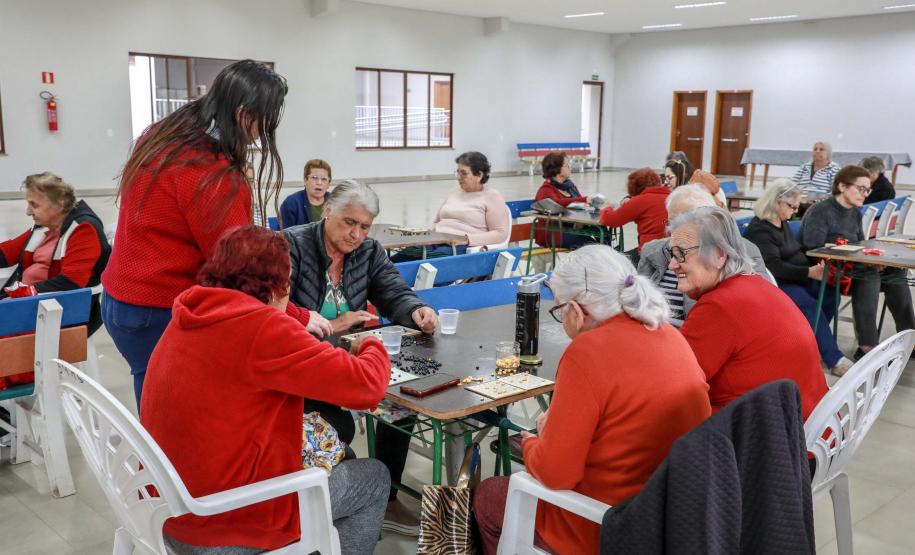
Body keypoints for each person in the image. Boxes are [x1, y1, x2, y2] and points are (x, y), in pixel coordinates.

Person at [141, 226, 391, 555]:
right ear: (276, 284)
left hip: (171, 505)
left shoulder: (192, 310)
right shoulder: (262, 329)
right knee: (373, 477)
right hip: (222, 522)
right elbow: (366, 386)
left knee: (340, 451)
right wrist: (370, 343)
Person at [102, 60, 327, 408]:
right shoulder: (211, 174)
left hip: (120, 299)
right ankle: (166, 462)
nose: (262, 133)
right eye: (264, 121)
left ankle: (158, 456)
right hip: (156, 308)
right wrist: (298, 315)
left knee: (153, 396)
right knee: (172, 412)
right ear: (241, 113)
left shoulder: (164, 134)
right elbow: (240, 271)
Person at [473, 245, 712, 555]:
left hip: (603, 525)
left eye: (559, 311)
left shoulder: (587, 353)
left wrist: (532, 441)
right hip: (670, 521)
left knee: (490, 494)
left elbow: (556, 473)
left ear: (575, 310)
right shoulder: (670, 335)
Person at [283, 179, 438, 535]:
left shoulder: (369, 251)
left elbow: (392, 289)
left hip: (350, 357)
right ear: (328, 211)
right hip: (305, 360)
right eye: (348, 223)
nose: (356, 234)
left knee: (400, 405)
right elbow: (276, 310)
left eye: (364, 226)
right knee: (340, 425)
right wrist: (333, 324)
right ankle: (332, 499)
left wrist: (416, 310)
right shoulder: (293, 244)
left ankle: (387, 500)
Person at [670, 207, 828, 419]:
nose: (672, 265)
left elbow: (672, 383)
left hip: (771, 441)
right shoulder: (756, 285)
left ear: (718, 255)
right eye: (671, 254)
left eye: (681, 254)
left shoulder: (719, 307)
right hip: (808, 427)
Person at [801, 165, 915, 359]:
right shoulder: (821, 210)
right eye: (860, 188)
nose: (865, 194)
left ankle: (910, 338)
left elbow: (861, 243)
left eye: (867, 189)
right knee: (869, 276)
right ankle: (867, 346)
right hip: (828, 269)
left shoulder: (854, 212)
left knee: (896, 272)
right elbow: (812, 246)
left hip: (853, 265)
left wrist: (873, 259)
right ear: (843, 186)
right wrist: (859, 258)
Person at [744, 179, 855, 376]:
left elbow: (794, 250)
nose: (795, 211)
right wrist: (809, 272)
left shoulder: (781, 221)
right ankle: (834, 359)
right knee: (810, 305)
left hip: (796, 278)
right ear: (777, 201)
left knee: (831, 294)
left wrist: (823, 248)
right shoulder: (760, 228)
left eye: (797, 206)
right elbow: (773, 267)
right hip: (777, 284)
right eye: (792, 206)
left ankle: (809, 341)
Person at [638, 184, 770, 326]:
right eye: (671, 222)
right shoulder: (653, 250)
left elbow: (761, 302)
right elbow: (637, 300)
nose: (672, 231)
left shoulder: (745, 250)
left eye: (683, 221)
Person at [1, 173, 110, 334]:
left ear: (59, 204)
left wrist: (26, 292)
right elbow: (7, 253)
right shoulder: (46, 225)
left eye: (34, 205)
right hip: (32, 304)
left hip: (61, 311)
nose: (28, 211)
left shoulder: (84, 229)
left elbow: (72, 281)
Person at [599, 167, 670, 261]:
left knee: (615, 262)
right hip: (670, 252)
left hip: (649, 254)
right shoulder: (672, 196)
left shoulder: (641, 200)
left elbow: (610, 220)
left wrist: (606, 208)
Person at [533, 151, 592, 249]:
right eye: (566, 165)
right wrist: (584, 199)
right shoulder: (545, 190)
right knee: (591, 245)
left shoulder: (570, 186)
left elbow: (583, 205)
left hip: (571, 228)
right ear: (556, 169)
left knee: (602, 233)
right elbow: (556, 204)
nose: (569, 167)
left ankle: (612, 258)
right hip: (554, 234)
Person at [279, 159, 332, 229]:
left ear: (329, 184)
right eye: (314, 178)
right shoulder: (291, 203)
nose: (319, 183)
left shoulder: (335, 201)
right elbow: (284, 236)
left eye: (324, 179)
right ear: (305, 180)